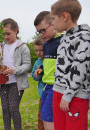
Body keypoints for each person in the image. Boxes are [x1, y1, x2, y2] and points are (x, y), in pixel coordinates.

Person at [50, 0, 90, 129]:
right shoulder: (65, 37)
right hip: (58, 92)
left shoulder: (84, 38)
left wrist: (67, 95)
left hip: (74, 96)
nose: (52, 23)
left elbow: (80, 68)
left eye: (53, 19)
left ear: (64, 16)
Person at [34, 11, 64, 130]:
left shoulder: (62, 41)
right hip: (46, 86)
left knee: (47, 116)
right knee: (44, 116)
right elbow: (47, 62)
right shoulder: (46, 44)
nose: (41, 34)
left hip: (56, 86)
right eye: (38, 32)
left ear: (52, 24)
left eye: (43, 30)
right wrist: (40, 69)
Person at [0, 18, 31, 130]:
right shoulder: (1, 47)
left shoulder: (22, 47)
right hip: (3, 83)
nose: (6, 37)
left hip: (16, 84)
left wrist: (14, 70)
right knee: (5, 109)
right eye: (3, 34)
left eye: (8, 34)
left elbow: (27, 65)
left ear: (16, 30)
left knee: (13, 109)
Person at [31, 37, 45, 130]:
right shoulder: (37, 62)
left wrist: (43, 70)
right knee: (41, 113)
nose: (38, 53)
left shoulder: (50, 60)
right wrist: (37, 73)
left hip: (52, 91)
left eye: (41, 50)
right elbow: (33, 76)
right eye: (36, 50)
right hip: (42, 93)